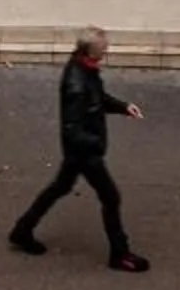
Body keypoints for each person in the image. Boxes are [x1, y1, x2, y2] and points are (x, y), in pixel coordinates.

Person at [9, 27, 148, 271]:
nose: (107, 51)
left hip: (79, 152)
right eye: (104, 48)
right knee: (110, 197)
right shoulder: (78, 83)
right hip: (85, 153)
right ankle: (120, 254)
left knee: (59, 188)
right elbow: (72, 128)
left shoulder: (84, 70)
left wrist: (123, 107)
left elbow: (98, 99)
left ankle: (22, 230)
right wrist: (95, 145)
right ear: (92, 52)